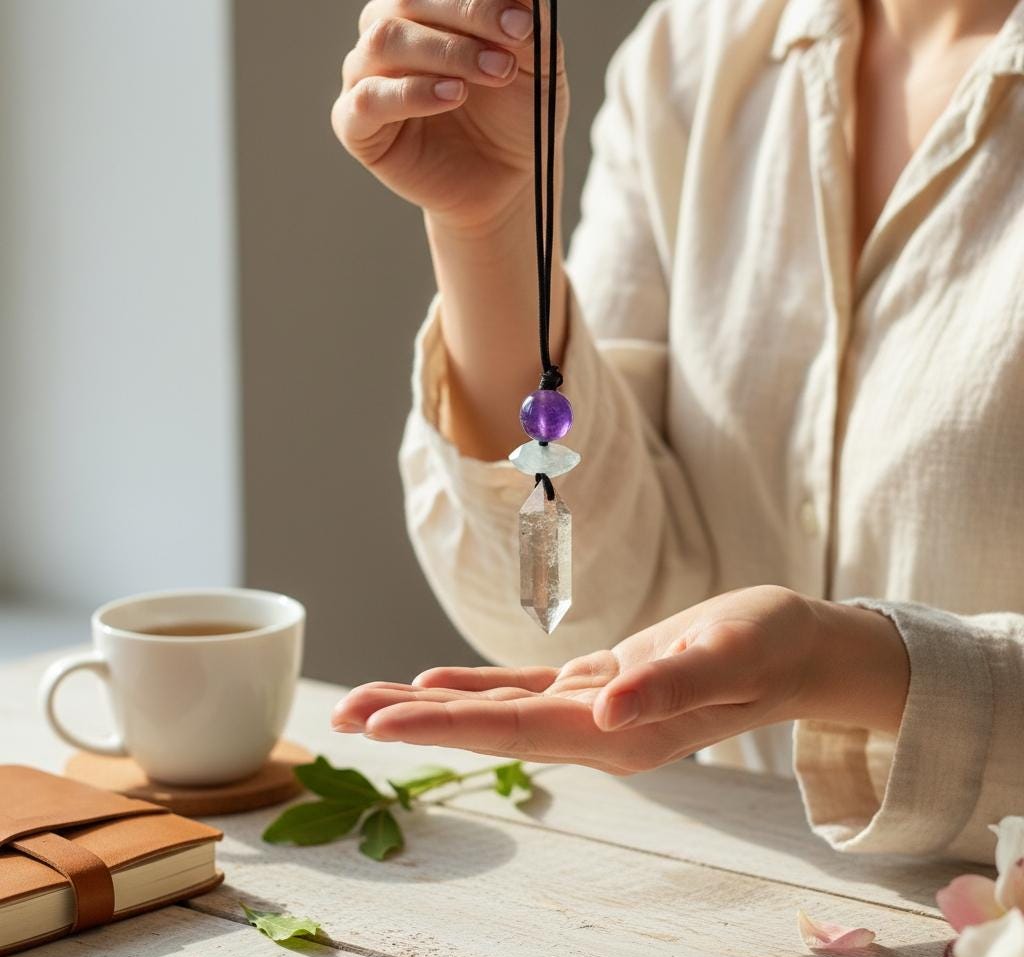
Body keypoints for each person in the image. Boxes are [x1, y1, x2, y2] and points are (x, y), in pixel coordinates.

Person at [329, 0, 1024, 864]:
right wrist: (487, 230)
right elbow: (590, 617)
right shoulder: (694, 47)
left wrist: (847, 664)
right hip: (744, 899)